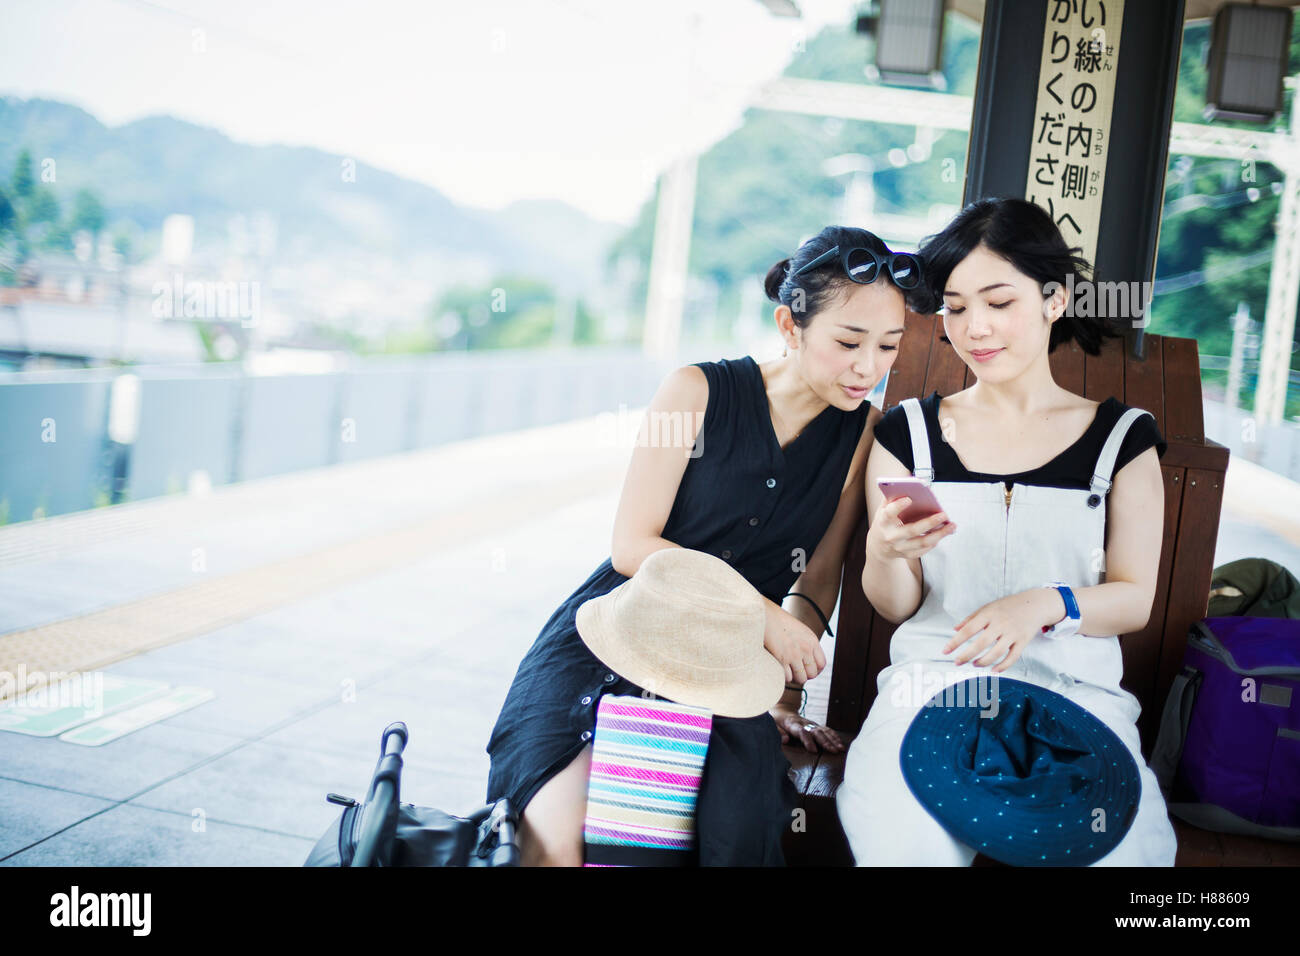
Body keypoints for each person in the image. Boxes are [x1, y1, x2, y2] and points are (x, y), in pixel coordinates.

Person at [484, 225, 929, 866]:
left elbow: (819, 573)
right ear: (789, 324)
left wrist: (781, 695)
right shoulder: (695, 391)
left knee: (724, 840)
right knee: (551, 845)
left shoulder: (864, 431)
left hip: (729, 668)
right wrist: (763, 614)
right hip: (614, 631)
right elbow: (632, 546)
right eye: (848, 342)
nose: (869, 367)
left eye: (889, 346)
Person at [836, 197, 1179, 866]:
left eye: (999, 302)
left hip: (1074, 696)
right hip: (932, 690)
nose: (976, 328)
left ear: (1054, 300)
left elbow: (1134, 598)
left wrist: (1045, 604)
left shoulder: (1123, 441)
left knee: (1126, 855)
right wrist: (883, 550)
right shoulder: (909, 435)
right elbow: (898, 603)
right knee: (902, 846)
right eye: (957, 308)